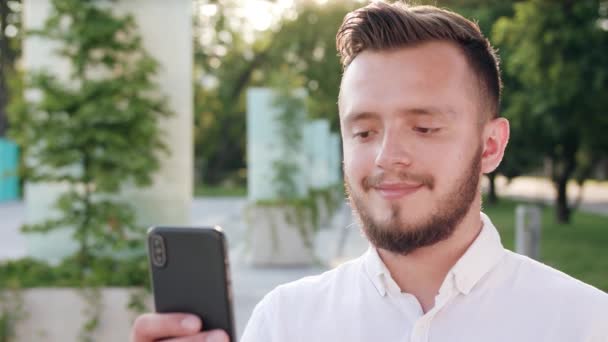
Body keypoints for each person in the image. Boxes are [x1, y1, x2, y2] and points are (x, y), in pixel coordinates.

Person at [130, 2, 608, 341]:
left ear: (491, 146)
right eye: (362, 132)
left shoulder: (585, 324)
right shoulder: (285, 322)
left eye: (423, 127)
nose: (386, 156)